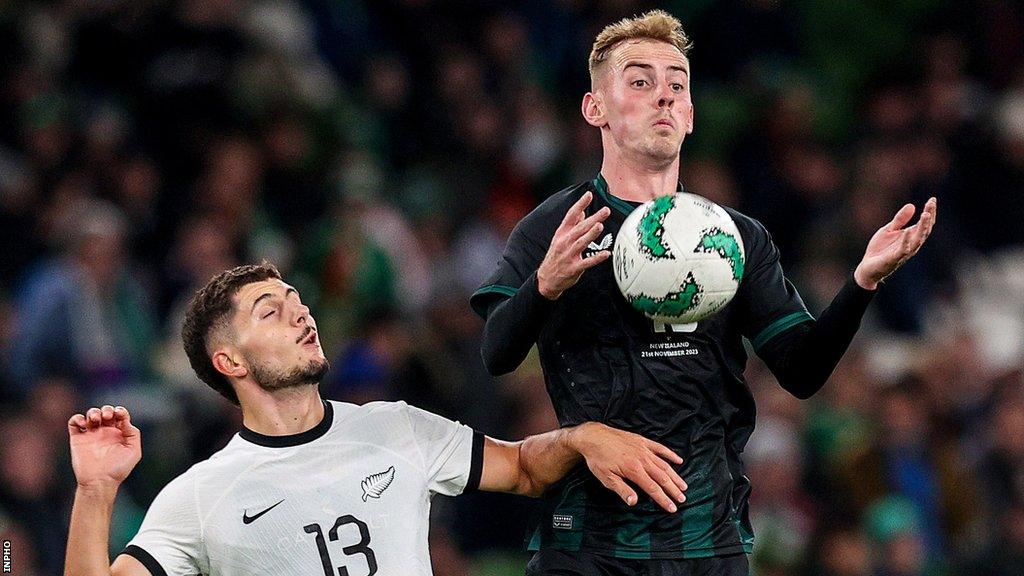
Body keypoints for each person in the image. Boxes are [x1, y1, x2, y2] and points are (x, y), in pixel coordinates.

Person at [470, 10, 937, 576]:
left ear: (690, 115)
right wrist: (544, 286)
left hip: (706, 541)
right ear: (596, 109)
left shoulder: (735, 238)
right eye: (640, 82)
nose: (663, 97)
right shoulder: (558, 225)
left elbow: (802, 371)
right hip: (588, 542)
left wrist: (862, 281)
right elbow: (496, 353)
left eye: (677, 85)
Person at [65, 262, 689, 576]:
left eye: (298, 302)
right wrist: (95, 491)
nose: (301, 314)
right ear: (228, 359)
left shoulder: (397, 427)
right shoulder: (199, 495)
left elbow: (524, 466)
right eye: (269, 311)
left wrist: (582, 437)